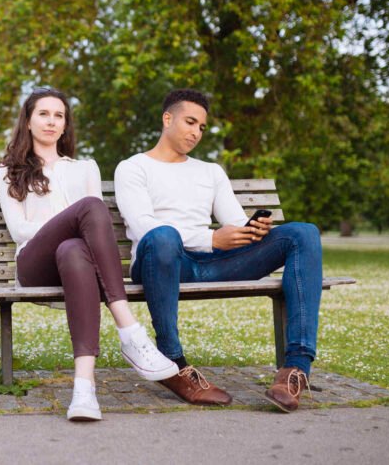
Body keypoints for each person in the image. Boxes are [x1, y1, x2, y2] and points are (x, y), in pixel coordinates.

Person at [114, 88, 323, 412]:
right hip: (164, 261)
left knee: (303, 234)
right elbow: (145, 228)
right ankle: (173, 364)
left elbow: (234, 222)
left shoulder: (210, 171)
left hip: (214, 262)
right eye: (190, 122)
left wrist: (250, 230)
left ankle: (295, 369)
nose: (196, 132)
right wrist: (210, 239)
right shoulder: (133, 167)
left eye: (201, 127)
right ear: (167, 118)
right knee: (164, 235)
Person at [0, 87, 178, 421]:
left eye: (59, 116)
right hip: (34, 265)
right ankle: (130, 332)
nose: (51, 121)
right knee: (88, 210)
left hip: (75, 261)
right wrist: (67, 222)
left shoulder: (85, 168)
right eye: (44, 114)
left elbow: (94, 234)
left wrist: (70, 229)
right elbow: (20, 230)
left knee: (74, 247)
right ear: (29, 120)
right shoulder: (8, 170)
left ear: (66, 126)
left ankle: (84, 389)